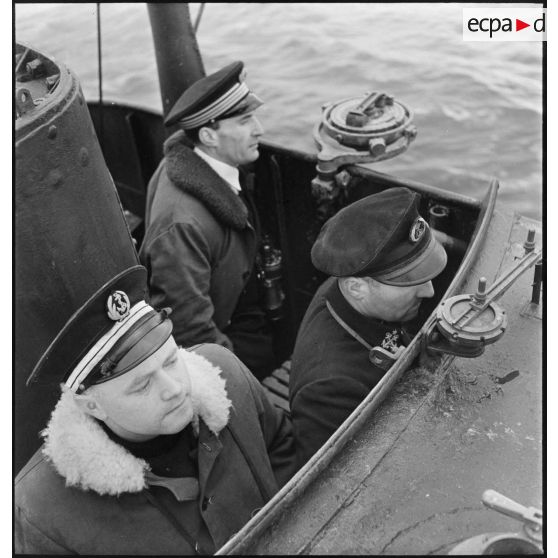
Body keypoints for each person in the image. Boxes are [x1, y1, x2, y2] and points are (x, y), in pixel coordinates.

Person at [15, 265, 296, 555]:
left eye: (171, 361)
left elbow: (281, 447)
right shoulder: (41, 509)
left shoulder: (224, 372)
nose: (174, 388)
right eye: (141, 386)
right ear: (92, 405)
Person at [288, 187, 447, 468]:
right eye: (410, 280)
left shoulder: (347, 287)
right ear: (357, 288)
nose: (429, 291)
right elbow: (338, 482)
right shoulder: (329, 390)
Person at [140, 61, 277, 380]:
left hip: (239, 309)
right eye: (245, 121)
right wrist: (243, 382)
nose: (259, 130)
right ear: (208, 136)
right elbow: (191, 332)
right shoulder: (181, 225)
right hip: (220, 342)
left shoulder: (200, 161)